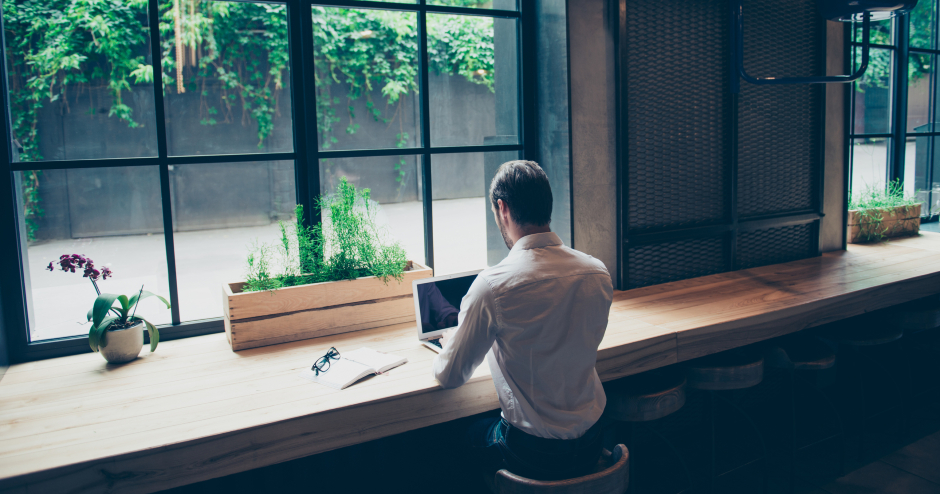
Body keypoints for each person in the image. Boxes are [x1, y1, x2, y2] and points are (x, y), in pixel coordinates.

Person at [432, 160, 614, 481]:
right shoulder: (597, 271)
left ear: (502, 208)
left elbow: (449, 376)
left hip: (534, 454)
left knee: (449, 439)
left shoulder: (493, 285)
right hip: (594, 440)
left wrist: (455, 342)